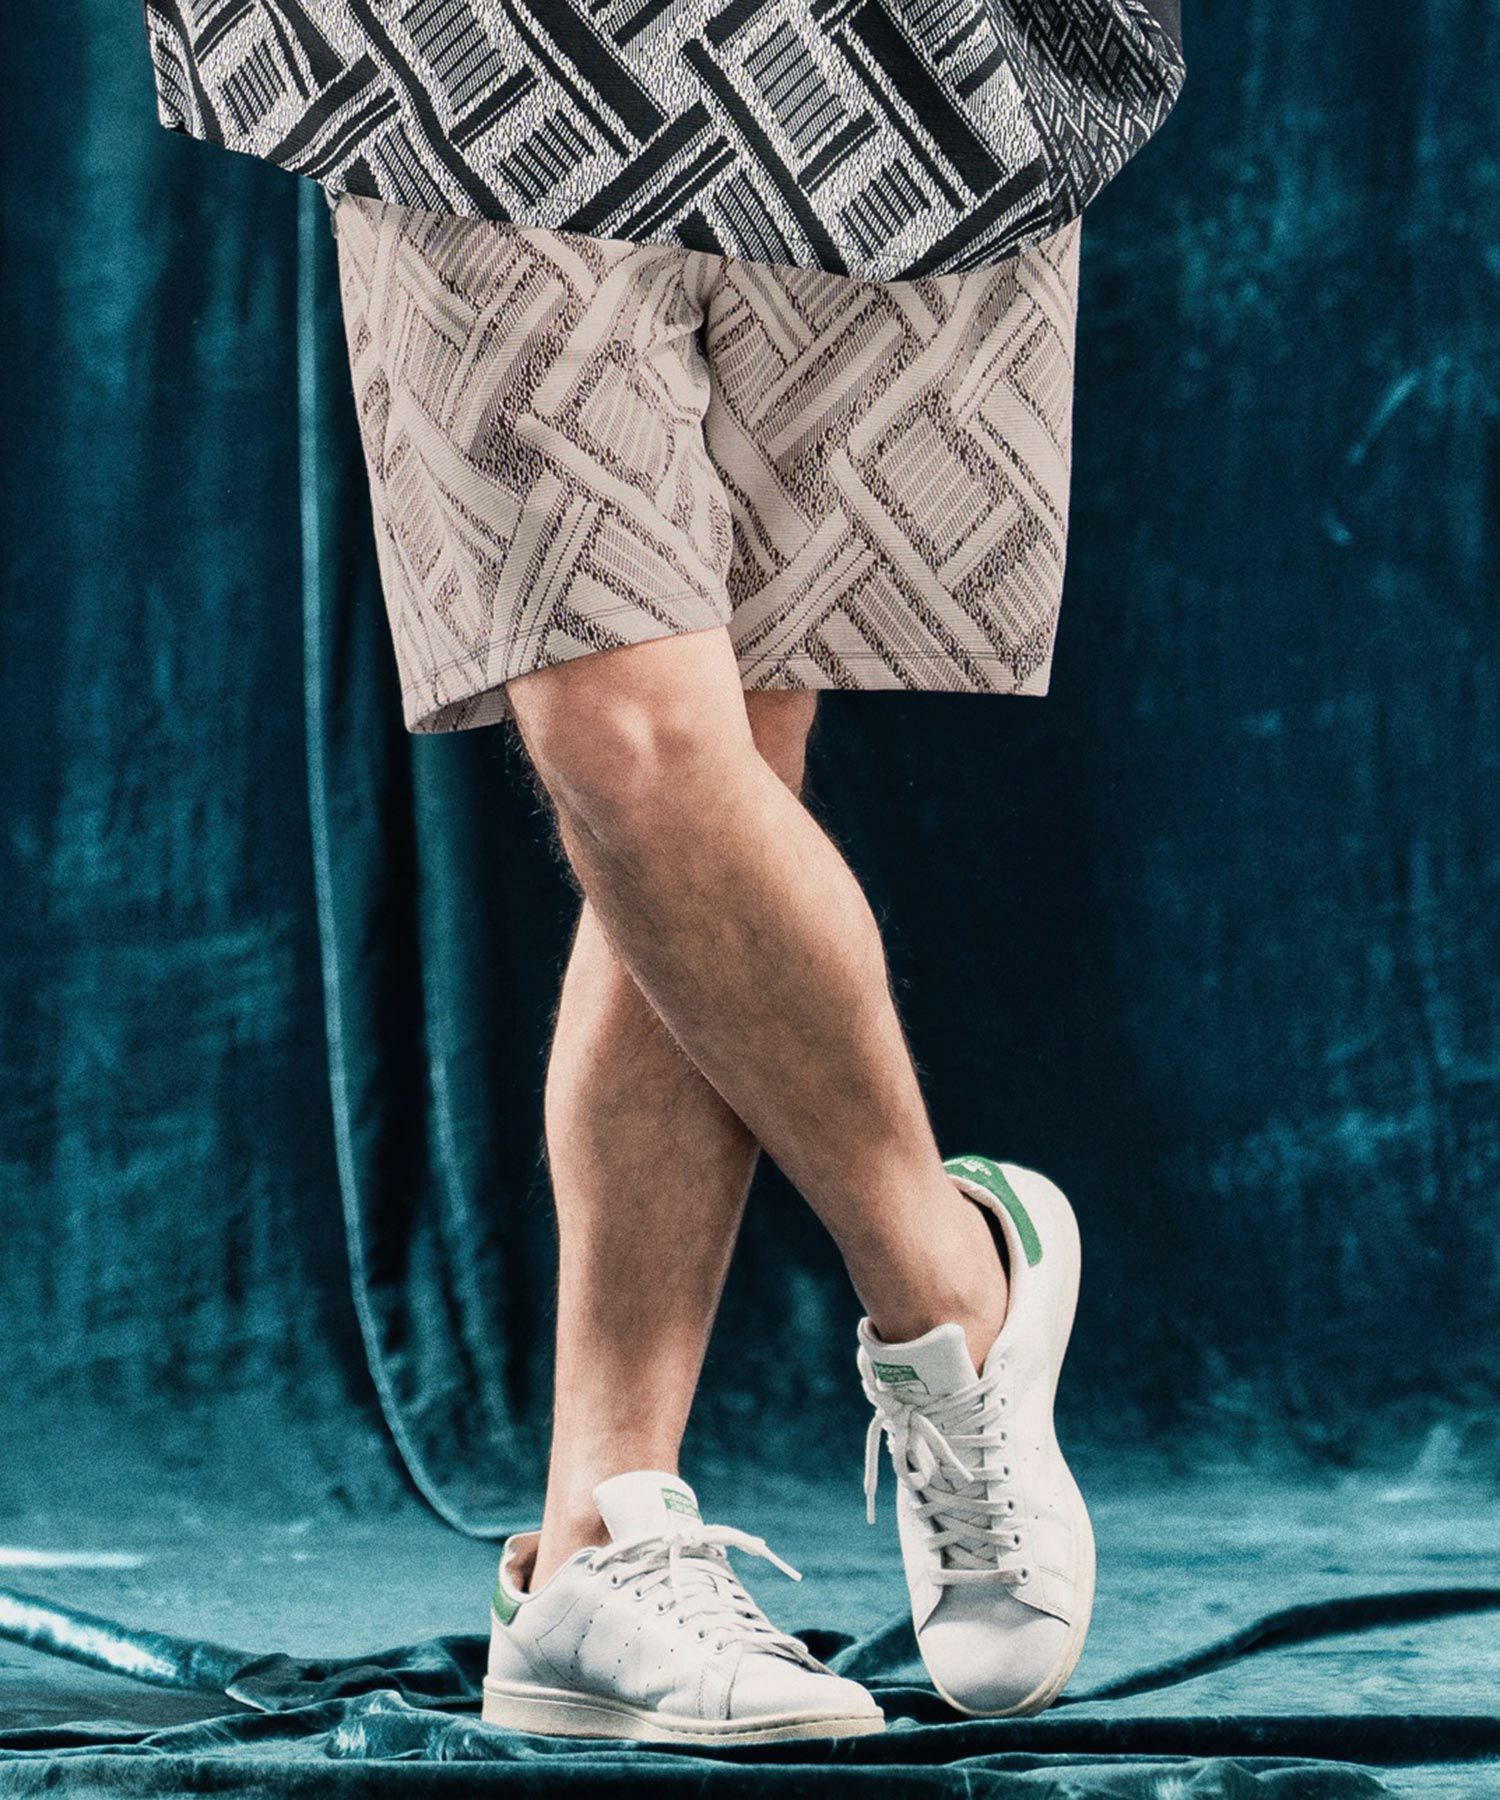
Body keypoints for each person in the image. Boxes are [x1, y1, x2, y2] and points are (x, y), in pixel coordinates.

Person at [327, 191, 1092, 1745]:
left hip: (855, 79)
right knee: (620, 732)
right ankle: (950, 1284)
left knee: (741, 712)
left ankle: (590, 1546)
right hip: (485, 75)